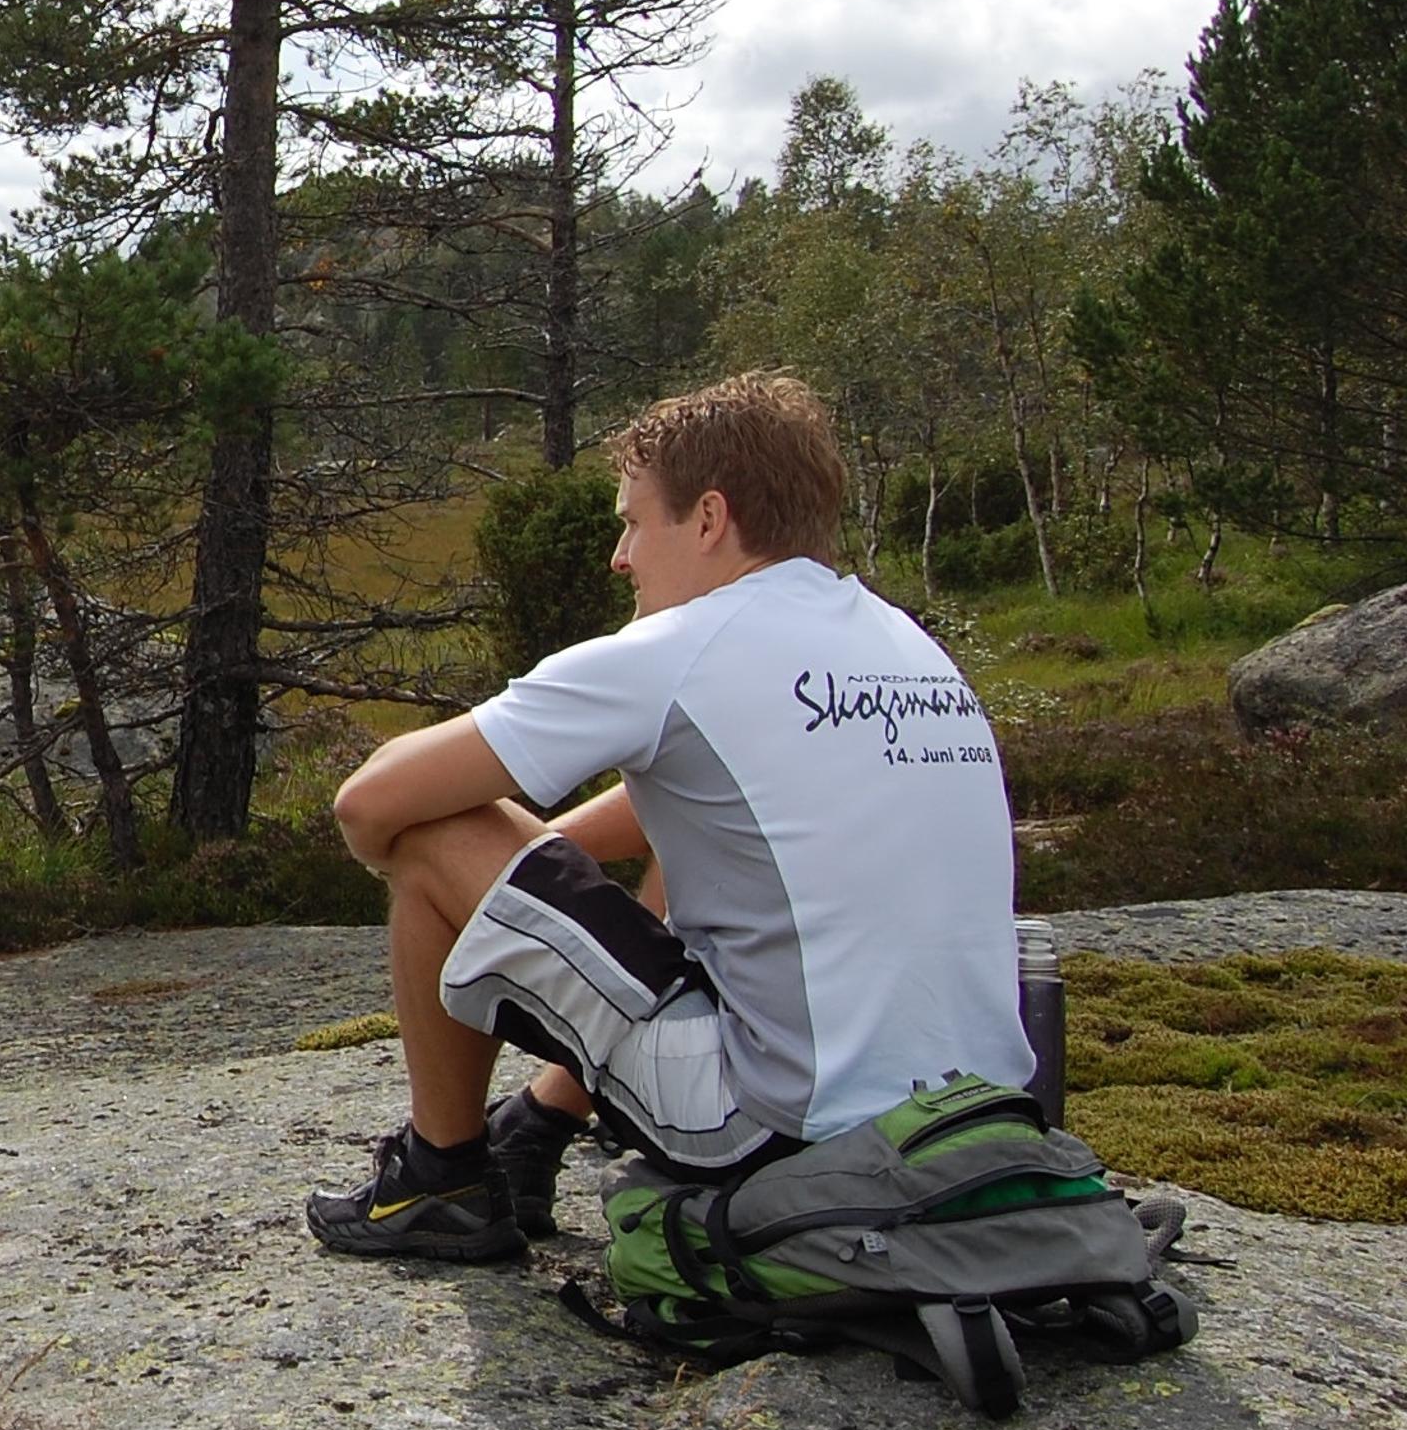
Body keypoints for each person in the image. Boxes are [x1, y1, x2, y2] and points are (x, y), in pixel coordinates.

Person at [307, 371, 1033, 1263]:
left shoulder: (678, 651)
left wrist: (472, 874)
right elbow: (709, 812)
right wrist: (533, 864)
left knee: (434, 834)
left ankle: (441, 1179)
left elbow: (369, 803)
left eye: (633, 520)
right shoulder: (903, 644)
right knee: (684, 830)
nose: (620, 555)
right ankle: (538, 1121)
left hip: (788, 1132)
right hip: (974, 1125)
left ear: (709, 518)